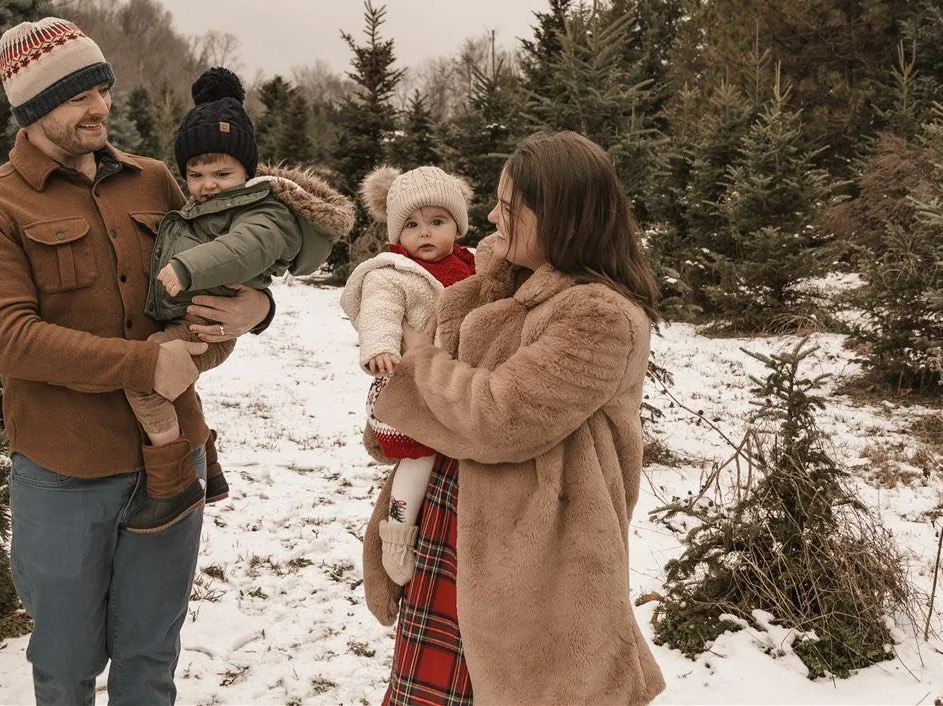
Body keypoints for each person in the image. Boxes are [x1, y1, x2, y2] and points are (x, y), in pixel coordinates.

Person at [0, 17, 273, 706]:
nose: (100, 106)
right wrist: (142, 366)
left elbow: (219, 274)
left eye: (101, 86)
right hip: (65, 474)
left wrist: (250, 315)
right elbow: (9, 337)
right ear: (32, 108)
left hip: (169, 459)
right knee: (65, 670)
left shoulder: (155, 182)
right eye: (76, 95)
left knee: (150, 661)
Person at [361, 131, 666, 706]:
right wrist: (487, 286)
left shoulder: (598, 314)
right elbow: (445, 385)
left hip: (534, 556)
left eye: (509, 208)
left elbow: (498, 417)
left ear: (561, 218)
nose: (494, 220)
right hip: (455, 528)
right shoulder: (512, 289)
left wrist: (415, 358)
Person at [123, 67, 354, 534]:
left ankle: (173, 484)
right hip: (193, 316)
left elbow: (246, 248)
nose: (207, 184)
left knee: (145, 382)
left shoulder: (263, 211)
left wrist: (188, 269)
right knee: (178, 383)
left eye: (222, 173)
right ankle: (208, 463)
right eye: (195, 173)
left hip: (207, 322)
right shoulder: (211, 207)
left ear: (248, 171)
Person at [338, 164, 477, 585]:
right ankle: (397, 533)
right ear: (398, 233)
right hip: (403, 384)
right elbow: (379, 311)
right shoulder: (393, 272)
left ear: (458, 225)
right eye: (413, 225)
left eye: (437, 222)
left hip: (452, 383)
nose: (425, 233)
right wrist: (380, 348)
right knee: (419, 458)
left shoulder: (471, 267)